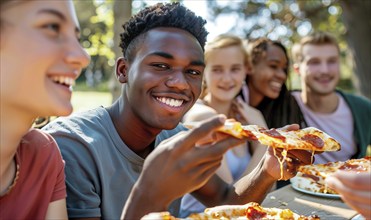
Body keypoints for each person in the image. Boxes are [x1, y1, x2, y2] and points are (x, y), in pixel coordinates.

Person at [43, 3, 312, 219]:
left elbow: (226, 201)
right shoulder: (72, 147)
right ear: (123, 70)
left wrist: (266, 171)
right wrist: (150, 195)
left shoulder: (176, 139)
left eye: (193, 72)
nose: (180, 83)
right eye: (161, 66)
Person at [0, 0, 90, 219]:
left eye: (76, 38)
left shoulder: (43, 152)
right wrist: (146, 199)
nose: (83, 57)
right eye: (52, 27)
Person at [179, 34, 268, 216]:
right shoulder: (201, 116)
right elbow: (232, 200)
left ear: (245, 71)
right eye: (217, 70)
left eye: (235, 69)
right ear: (204, 73)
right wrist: (265, 141)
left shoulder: (246, 116)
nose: (227, 79)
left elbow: (269, 186)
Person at [291, 31, 371, 164]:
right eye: (314, 62)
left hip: (349, 183)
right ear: (298, 69)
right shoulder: (282, 105)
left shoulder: (362, 108)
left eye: (332, 61)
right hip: (297, 184)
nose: (325, 70)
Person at [242, 37, 306, 129]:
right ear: (249, 66)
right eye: (273, 66)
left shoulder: (287, 105)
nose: (282, 75)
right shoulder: (229, 103)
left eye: (284, 69)